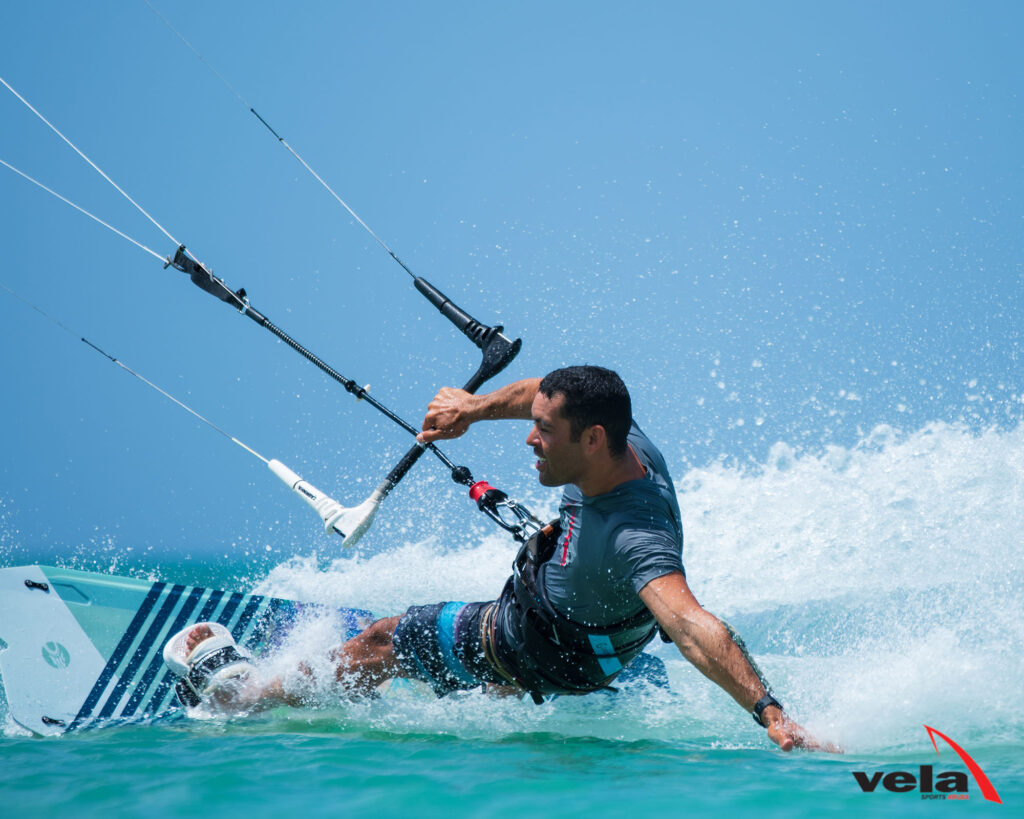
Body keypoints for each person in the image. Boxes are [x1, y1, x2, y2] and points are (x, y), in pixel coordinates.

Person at [168, 365, 834, 752]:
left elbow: (690, 623)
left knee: (383, 638)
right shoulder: (618, 437)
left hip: (540, 644)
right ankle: (500, 689)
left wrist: (771, 714)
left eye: (543, 431)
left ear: (594, 438)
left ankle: (241, 696)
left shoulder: (634, 537)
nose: (529, 438)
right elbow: (543, 385)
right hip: (592, 626)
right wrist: (473, 408)